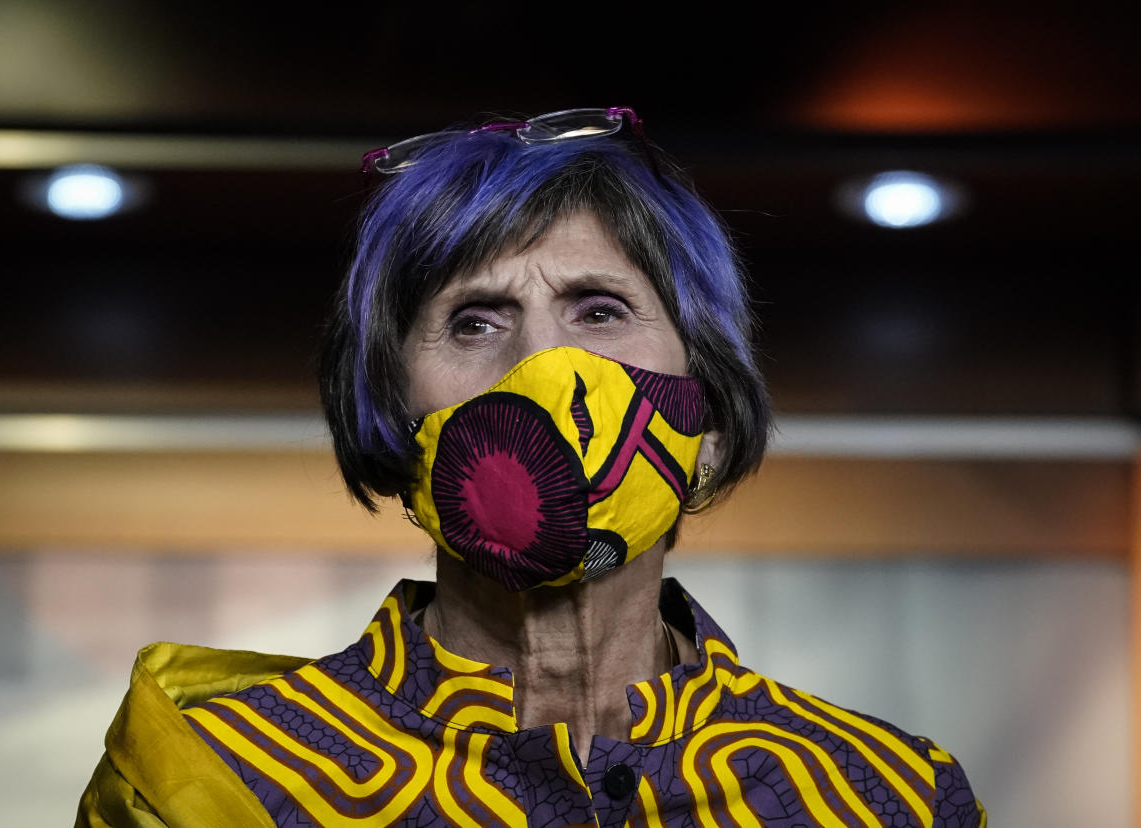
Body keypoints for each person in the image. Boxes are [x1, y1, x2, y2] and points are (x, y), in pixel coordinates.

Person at [77, 107, 985, 827]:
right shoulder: (215, 782)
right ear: (394, 418)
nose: (539, 368)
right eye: (474, 321)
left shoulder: (887, 800)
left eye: (599, 311)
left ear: (705, 416)